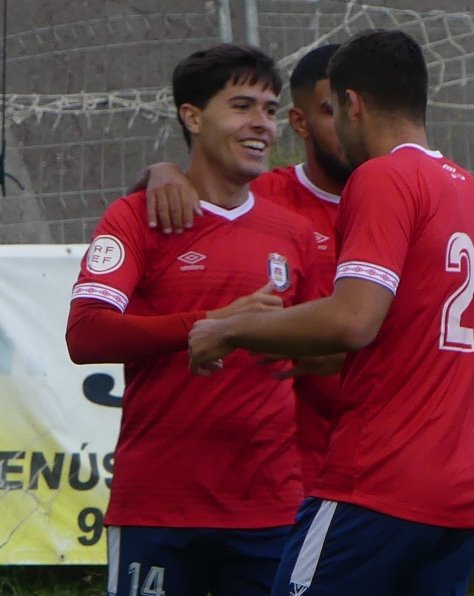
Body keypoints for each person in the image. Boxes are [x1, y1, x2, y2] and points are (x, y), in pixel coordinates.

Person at [188, 29, 474, 596]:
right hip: (463, 491)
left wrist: (231, 327)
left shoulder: (383, 177)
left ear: (352, 105)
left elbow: (354, 320)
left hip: (380, 478)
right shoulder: (460, 188)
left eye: (335, 108)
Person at [65, 43, 325, 596]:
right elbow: (86, 334)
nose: (261, 124)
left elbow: (328, 346)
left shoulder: (295, 233)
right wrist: (211, 323)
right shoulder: (137, 215)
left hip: (270, 508)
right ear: (192, 115)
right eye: (242, 106)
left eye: (271, 110)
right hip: (158, 508)